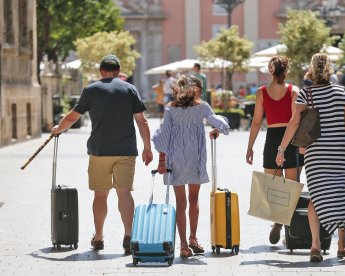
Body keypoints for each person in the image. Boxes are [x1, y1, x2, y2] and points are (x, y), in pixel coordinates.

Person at [51, 54, 153, 254]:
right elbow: (142, 121)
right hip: (125, 151)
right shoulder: (130, 89)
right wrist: (147, 148)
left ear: (100, 71)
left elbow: (73, 116)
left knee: (100, 195)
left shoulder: (91, 90)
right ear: (118, 71)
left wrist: (58, 129)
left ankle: (98, 238)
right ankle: (129, 235)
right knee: (124, 192)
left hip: (99, 151)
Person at [275, 53, 345, 262]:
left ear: (311, 69)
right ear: (329, 69)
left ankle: (315, 246)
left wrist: (281, 149)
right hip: (338, 154)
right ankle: (342, 246)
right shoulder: (342, 92)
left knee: (316, 198)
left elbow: (294, 123)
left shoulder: (306, 94)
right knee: (341, 196)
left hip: (316, 155)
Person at [152, 75, 230, 258]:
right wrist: (218, 130)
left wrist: (162, 160)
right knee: (193, 199)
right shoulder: (202, 107)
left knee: (180, 203)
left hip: (175, 157)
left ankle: (184, 246)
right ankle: (193, 237)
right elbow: (218, 122)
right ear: (195, 90)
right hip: (195, 156)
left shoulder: (171, 108)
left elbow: (164, 135)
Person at [246, 55, 304, 245]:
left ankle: (277, 221)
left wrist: (249, 147)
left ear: (271, 71)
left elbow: (256, 122)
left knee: (273, 187)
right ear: (286, 71)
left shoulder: (261, 92)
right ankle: (289, 231)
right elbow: (297, 120)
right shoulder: (294, 90)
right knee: (292, 187)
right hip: (290, 139)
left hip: (271, 140)